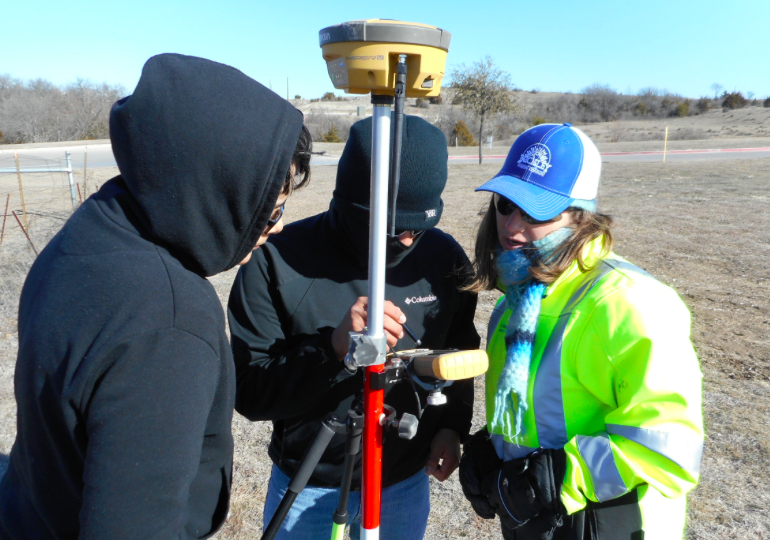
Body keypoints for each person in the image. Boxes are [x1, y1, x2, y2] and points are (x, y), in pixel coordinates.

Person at [0, 53, 312, 539]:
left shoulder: (91, 230)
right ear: (212, 187)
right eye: (267, 211)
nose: (271, 230)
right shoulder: (169, 322)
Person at [228, 115, 480, 540]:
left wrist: (452, 425)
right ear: (349, 204)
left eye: (419, 228)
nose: (405, 241)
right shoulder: (276, 262)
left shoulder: (442, 258)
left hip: (401, 483)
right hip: (309, 488)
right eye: (391, 227)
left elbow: (459, 350)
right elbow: (251, 393)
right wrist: (332, 349)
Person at [458, 123, 704, 540]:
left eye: (537, 210)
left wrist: (558, 478)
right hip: (540, 524)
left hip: (614, 526)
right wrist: (495, 449)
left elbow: (669, 448)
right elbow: (545, 411)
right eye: (505, 203)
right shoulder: (513, 303)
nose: (512, 226)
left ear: (580, 214)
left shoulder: (631, 303)